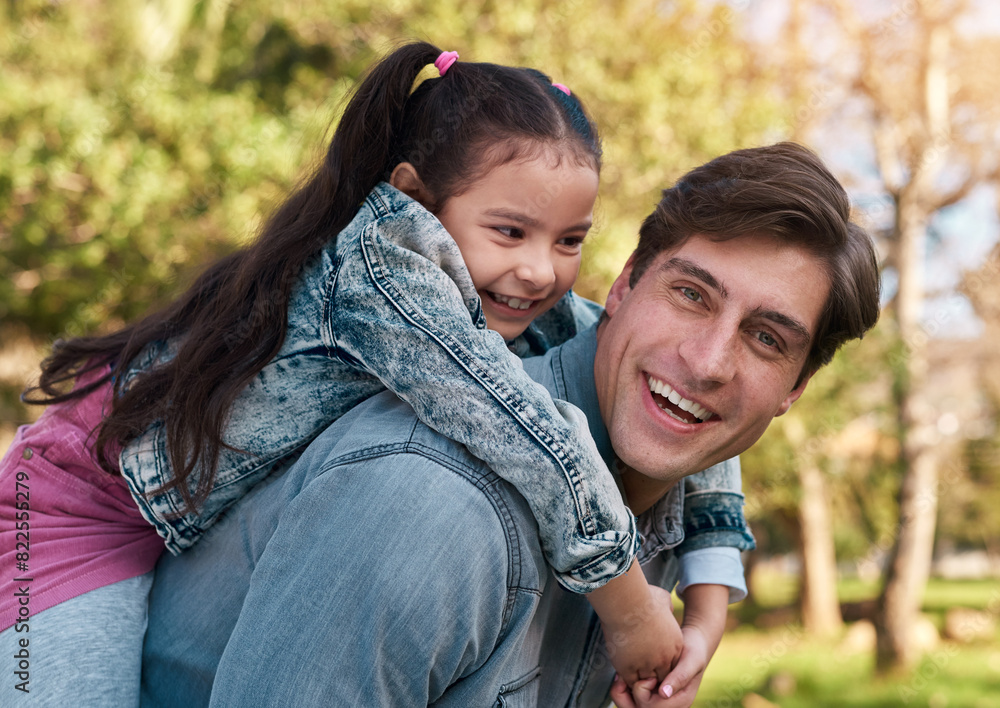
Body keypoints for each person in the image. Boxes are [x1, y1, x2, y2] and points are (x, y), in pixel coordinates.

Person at [0, 42, 748, 705]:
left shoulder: (509, 295)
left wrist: (708, 607)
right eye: (510, 231)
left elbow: (663, 374)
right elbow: (520, 427)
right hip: (72, 503)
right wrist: (629, 603)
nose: (539, 270)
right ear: (416, 196)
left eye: (570, 240)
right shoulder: (388, 275)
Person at [139, 142, 882, 707]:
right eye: (691, 294)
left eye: (766, 339)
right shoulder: (430, 504)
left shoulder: (659, 491)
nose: (709, 361)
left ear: (795, 387)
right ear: (623, 284)